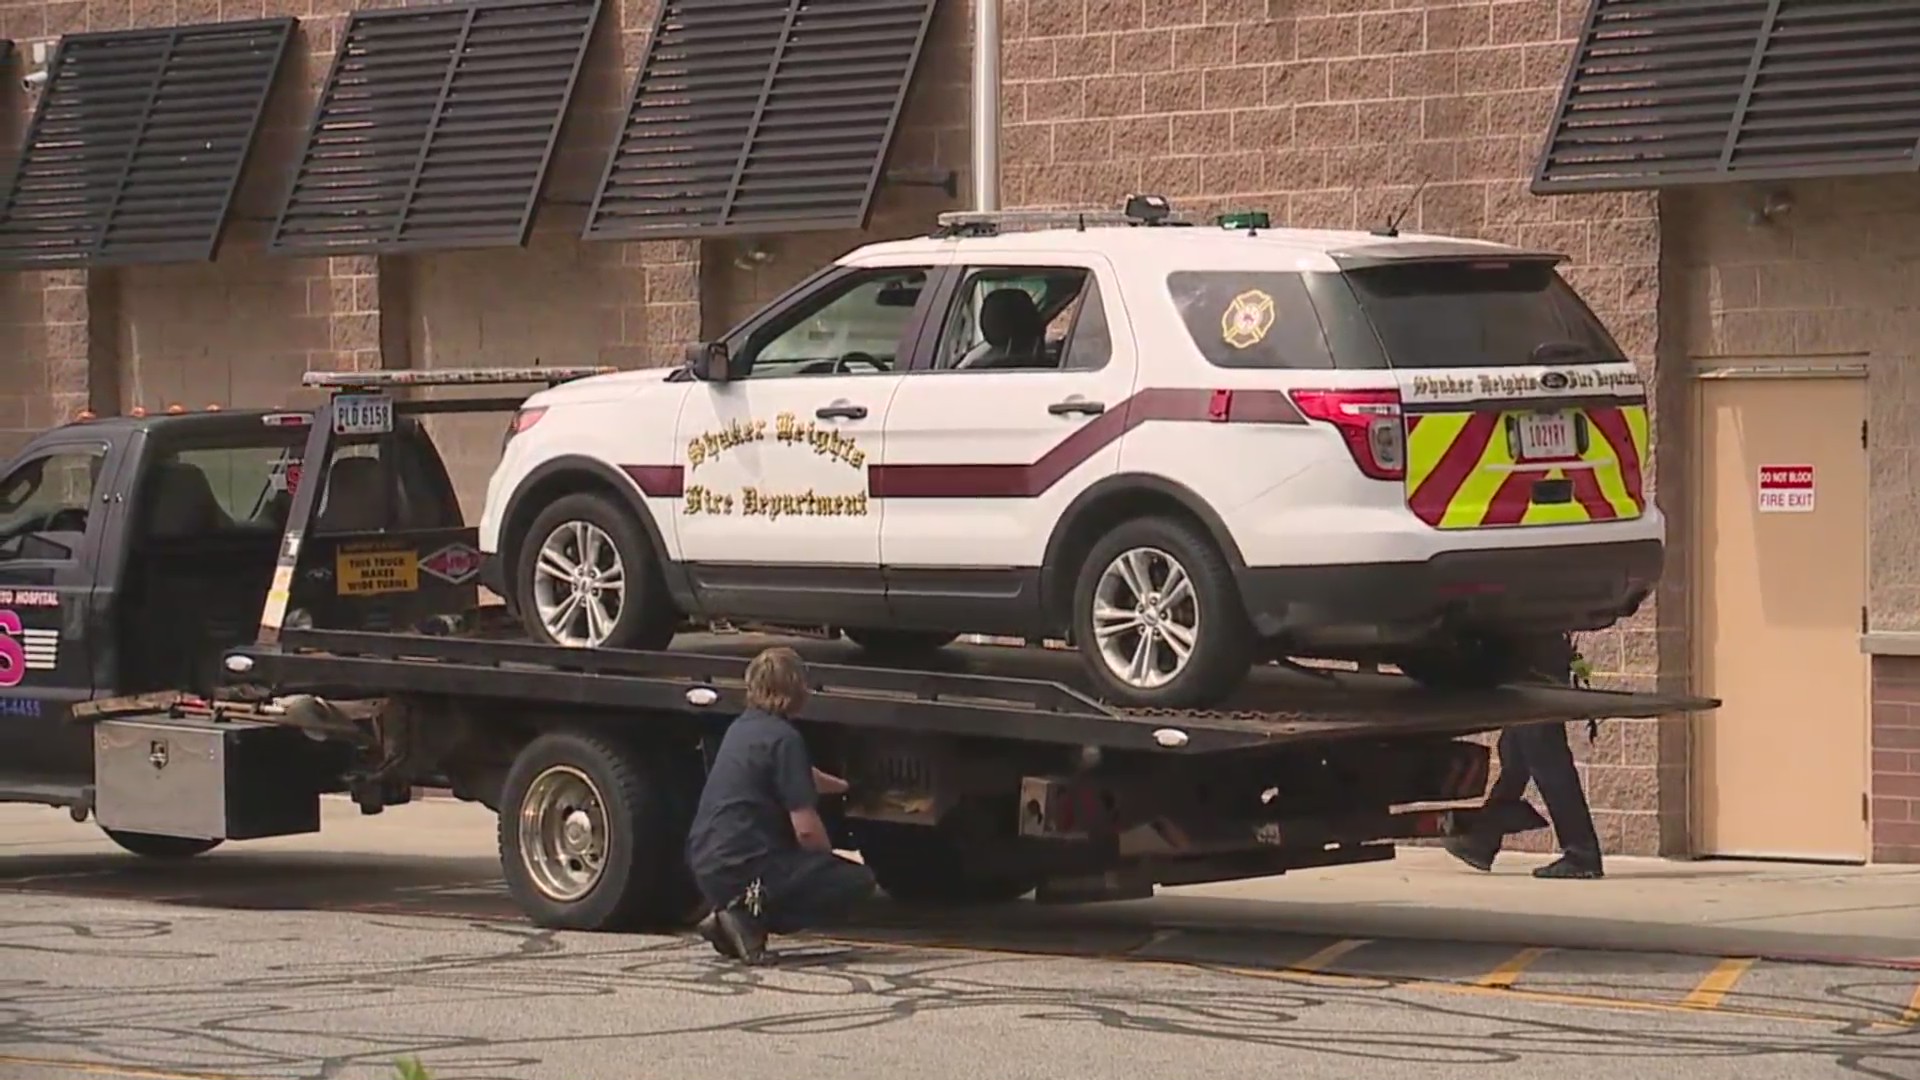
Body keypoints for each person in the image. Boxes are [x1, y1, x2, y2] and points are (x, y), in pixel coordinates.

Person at [686, 646, 876, 963]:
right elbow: (806, 831)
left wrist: (847, 787)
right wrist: (826, 862)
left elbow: (804, 774)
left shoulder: (744, 728)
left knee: (800, 867)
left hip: (707, 862)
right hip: (745, 865)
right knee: (856, 881)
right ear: (794, 690)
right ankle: (748, 916)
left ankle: (728, 915)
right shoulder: (786, 738)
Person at [1444, 634, 1605, 880]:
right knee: (1515, 755)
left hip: (1533, 667)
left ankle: (1581, 853)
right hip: (1530, 662)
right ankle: (1483, 838)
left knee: (1547, 759)